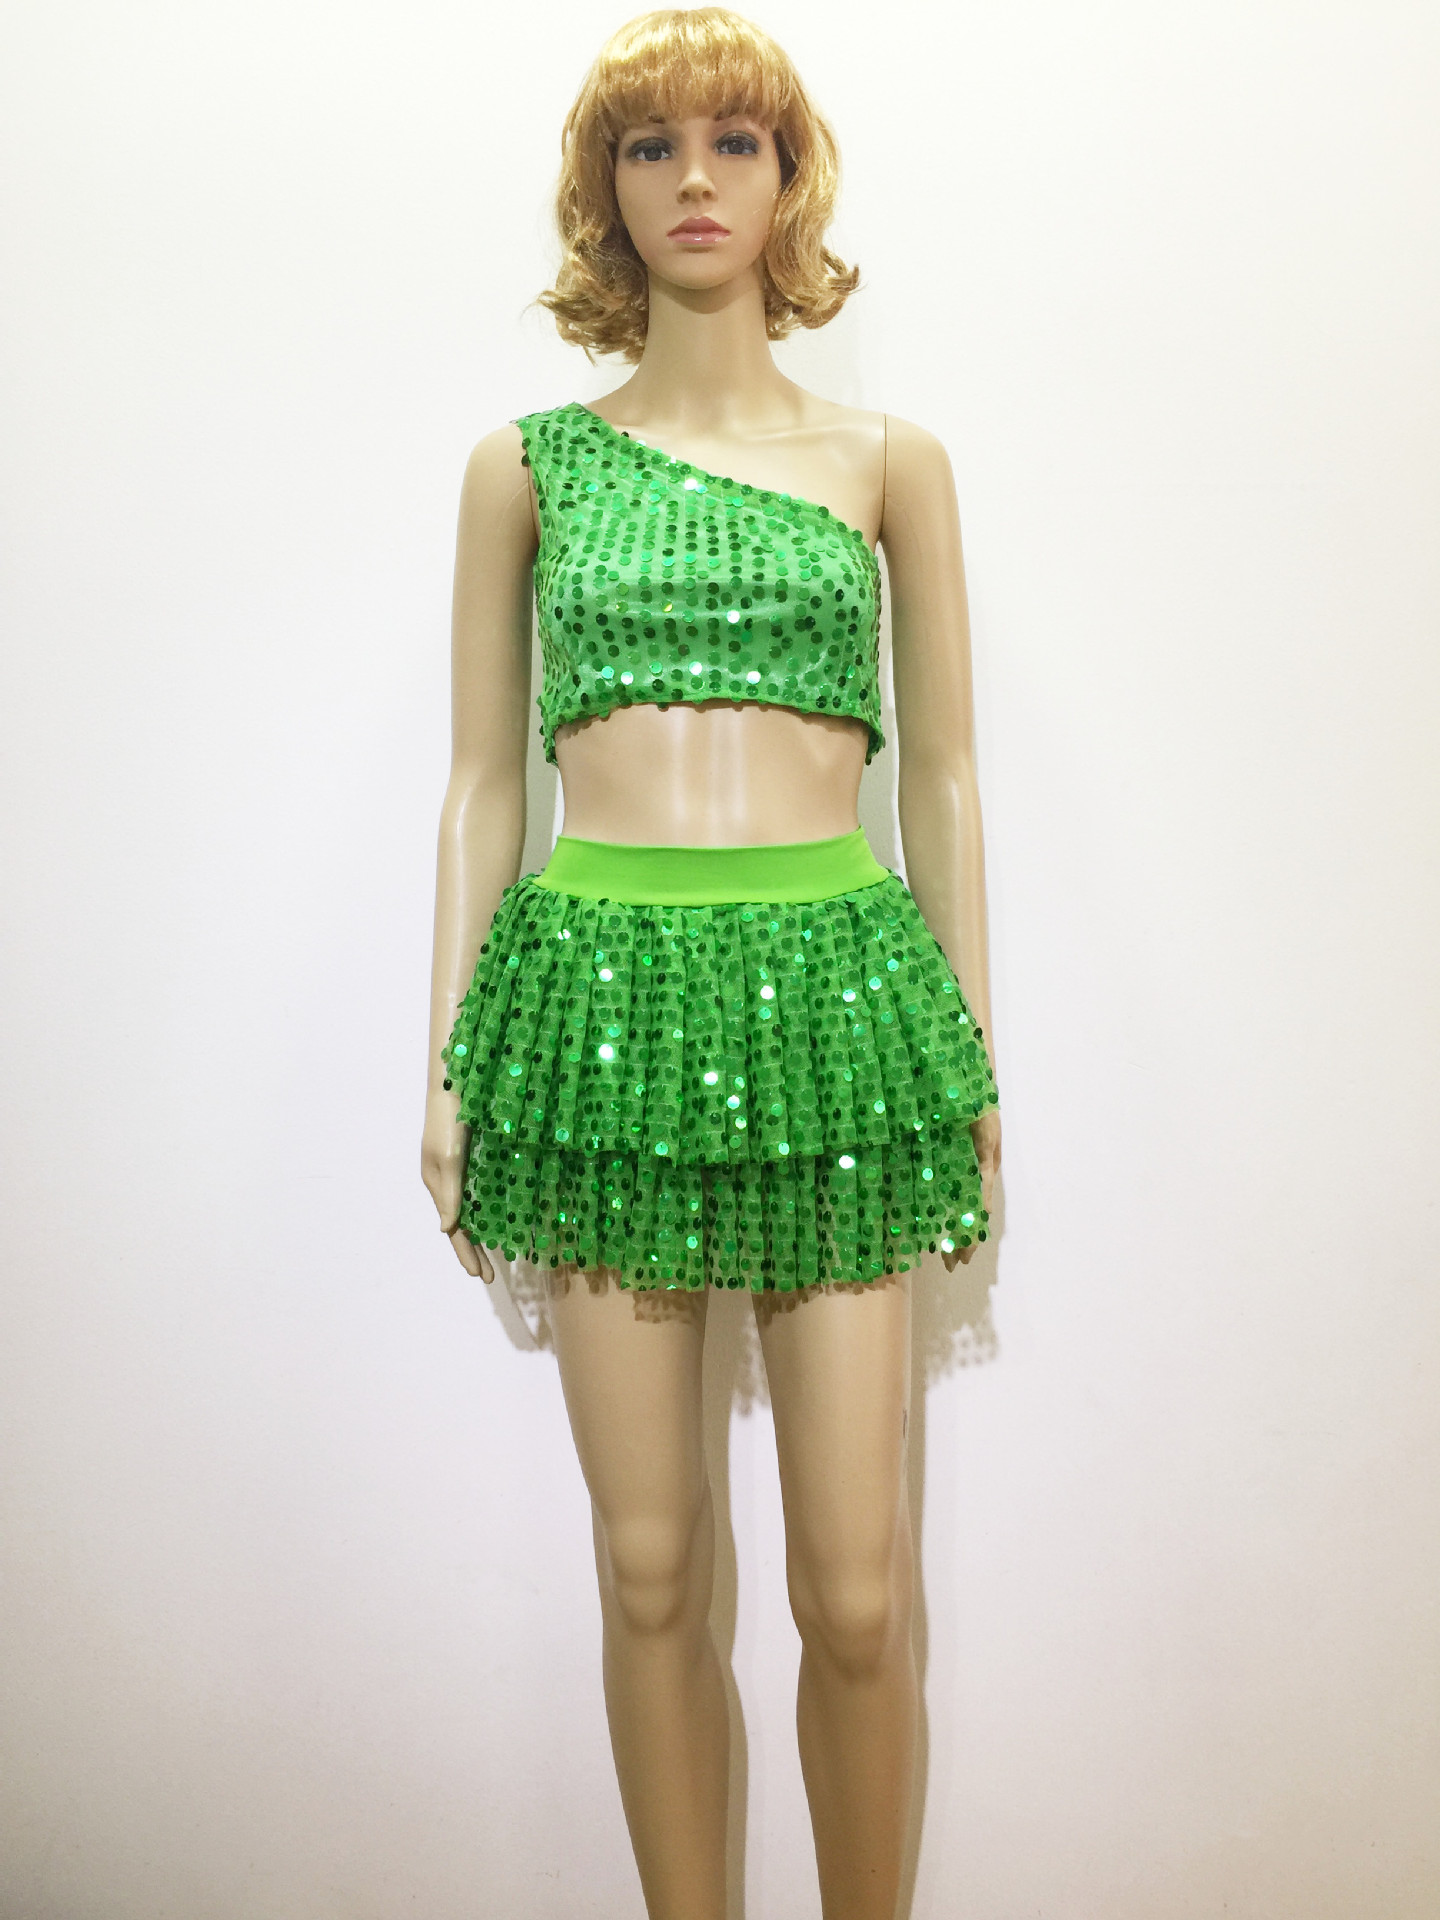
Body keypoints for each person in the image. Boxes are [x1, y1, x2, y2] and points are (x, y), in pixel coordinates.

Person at [420, 10, 1001, 1916]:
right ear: (606, 189)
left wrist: (971, 1055)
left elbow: (948, 777)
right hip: (594, 1003)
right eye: (652, 146)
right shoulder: (524, 471)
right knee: (651, 1565)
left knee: (858, 1589)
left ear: (788, 180)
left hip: (839, 1007)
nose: (694, 181)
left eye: (734, 144)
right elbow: (481, 784)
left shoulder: (889, 464)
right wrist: (447, 1062)